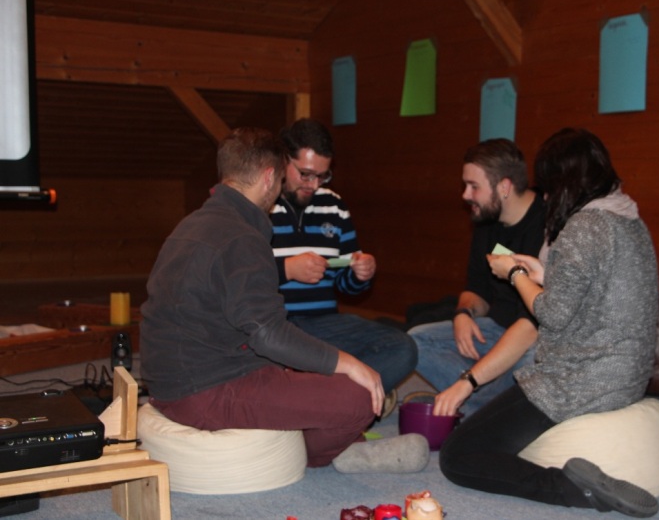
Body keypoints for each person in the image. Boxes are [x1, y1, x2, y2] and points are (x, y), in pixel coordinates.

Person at [140, 127, 426, 471]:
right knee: (359, 395)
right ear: (268, 177)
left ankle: (332, 435)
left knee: (317, 368)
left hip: (178, 379)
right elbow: (269, 334)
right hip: (204, 390)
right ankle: (308, 453)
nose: (278, 191)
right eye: (279, 180)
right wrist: (348, 364)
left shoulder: (190, 225)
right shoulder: (241, 236)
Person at [433, 128, 659, 517]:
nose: (546, 195)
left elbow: (551, 315)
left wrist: (514, 273)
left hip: (583, 380)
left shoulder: (584, 227)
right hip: (629, 374)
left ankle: (572, 488)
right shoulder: (627, 219)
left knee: (458, 455)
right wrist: (541, 272)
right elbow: (592, 289)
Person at [270, 118, 417, 407]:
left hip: (324, 325)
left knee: (403, 348)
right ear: (283, 160)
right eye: (305, 174)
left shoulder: (334, 207)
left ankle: (321, 400)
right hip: (275, 326)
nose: (313, 185)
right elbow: (235, 275)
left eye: (322, 176)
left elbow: (345, 284)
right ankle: (341, 399)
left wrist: (360, 275)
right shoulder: (261, 204)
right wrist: (286, 270)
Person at [409, 138, 545, 415]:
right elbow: (477, 289)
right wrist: (463, 314)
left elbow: (531, 325)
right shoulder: (486, 219)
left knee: (536, 363)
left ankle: (475, 401)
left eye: (474, 186)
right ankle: (491, 404)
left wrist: (469, 380)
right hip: (494, 330)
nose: (465, 195)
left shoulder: (548, 224)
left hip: (529, 337)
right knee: (415, 341)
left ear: (504, 187)